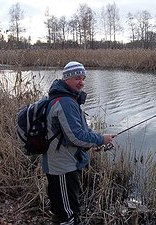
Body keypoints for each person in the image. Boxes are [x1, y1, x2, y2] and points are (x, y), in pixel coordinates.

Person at [42, 61, 115, 225]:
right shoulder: (65, 102)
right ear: (66, 79)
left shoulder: (68, 100)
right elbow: (76, 136)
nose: (81, 82)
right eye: (77, 78)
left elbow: (78, 133)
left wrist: (94, 142)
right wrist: (101, 139)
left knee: (64, 207)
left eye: (83, 78)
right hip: (61, 166)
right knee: (67, 214)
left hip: (66, 163)